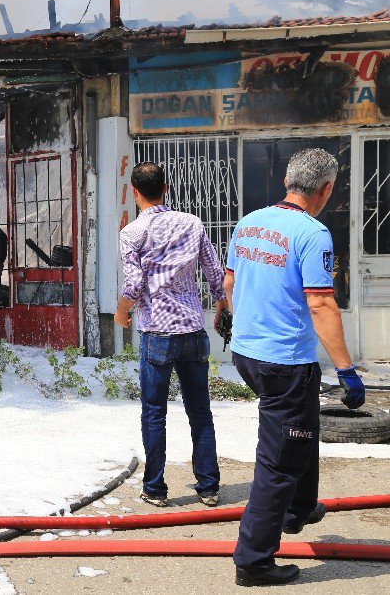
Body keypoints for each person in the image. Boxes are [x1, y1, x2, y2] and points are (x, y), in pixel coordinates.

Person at [225, 148, 364, 587]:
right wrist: (347, 370)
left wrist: (237, 320)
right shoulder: (312, 232)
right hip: (283, 360)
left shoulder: (250, 222)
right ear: (326, 189)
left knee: (302, 426)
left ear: (288, 181)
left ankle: (299, 508)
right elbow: (321, 303)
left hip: (248, 353)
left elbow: (229, 283)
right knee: (281, 458)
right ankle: (253, 560)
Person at [114, 162, 227, 509]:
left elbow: (133, 286)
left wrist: (121, 312)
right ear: (166, 189)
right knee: (200, 411)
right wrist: (221, 306)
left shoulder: (132, 233)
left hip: (157, 333)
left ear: (135, 192)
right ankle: (208, 487)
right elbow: (214, 272)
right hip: (193, 330)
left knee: (154, 412)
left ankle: (156, 489)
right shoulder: (192, 223)